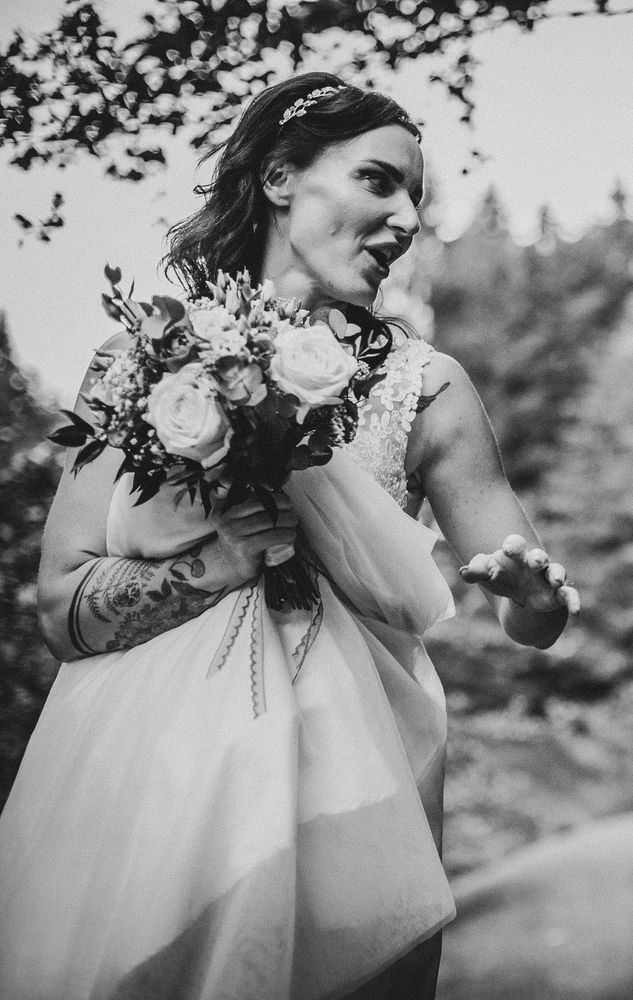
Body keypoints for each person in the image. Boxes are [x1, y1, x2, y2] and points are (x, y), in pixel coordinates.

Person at [0, 72, 580, 999]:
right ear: (280, 178)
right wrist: (215, 563)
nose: (406, 221)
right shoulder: (143, 361)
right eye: (379, 182)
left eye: (416, 200)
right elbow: (63, 614)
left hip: (357, 799)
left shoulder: (428, 388)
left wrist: (536, 595)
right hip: (147, 791)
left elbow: (535, 619)